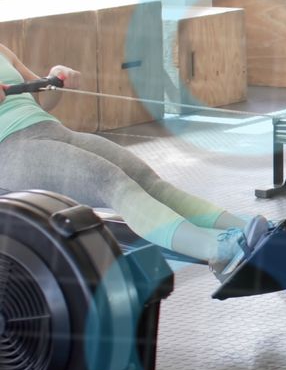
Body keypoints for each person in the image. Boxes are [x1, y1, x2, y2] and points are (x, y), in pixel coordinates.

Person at [0, 43, 268, 281]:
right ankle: (217, 250)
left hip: (53, 131)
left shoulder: (2, 49)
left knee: (148, 181)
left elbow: (44, 100)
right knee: (109, 181)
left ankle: (245, 228)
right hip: (10, 150)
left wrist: (56, 78)